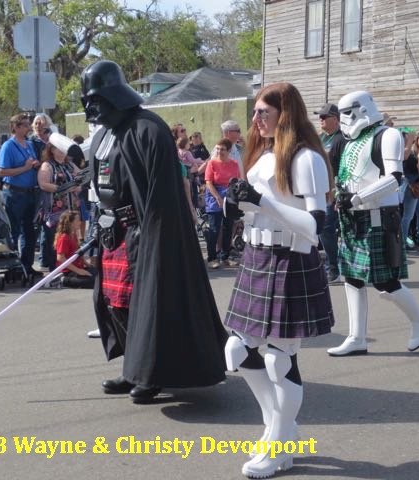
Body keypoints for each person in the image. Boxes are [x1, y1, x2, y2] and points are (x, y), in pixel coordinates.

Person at [81, 59, 227, 403]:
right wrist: (96, 226)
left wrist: (151, 237)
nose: (91, 109)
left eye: (96, 101)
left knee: (145, 303)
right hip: (111, 233)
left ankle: (151, 373)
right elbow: (100, 186)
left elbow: (161, 196)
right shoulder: (103, 135)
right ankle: (134, 367)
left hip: (143, 233)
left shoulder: (148, 129)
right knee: (114, 301)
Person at [222, 82, 334, 478]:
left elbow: (314, 227)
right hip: (256, 256)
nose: (255, 119)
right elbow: (254, 206)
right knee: (237, 351)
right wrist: (233, 205)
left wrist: (262, 203)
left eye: (263, 112)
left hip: (289, 259)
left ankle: (278, 441)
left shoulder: (305, 159)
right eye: (254, 112)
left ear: (284, 114)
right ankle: (280, 428)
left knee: (278, 358)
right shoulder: (264, 154)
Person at [327, 91, 419, 357]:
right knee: (351, 278)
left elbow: (395, 178)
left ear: (363, 109)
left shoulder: (387, 135)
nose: (345, 119)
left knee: (385, 281)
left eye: (349, 112)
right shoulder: (348, 140)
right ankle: (356, 337)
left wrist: (359, 197)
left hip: (377, 215)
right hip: (352, 215)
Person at [0, 113, 41, 278]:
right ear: (15, 127)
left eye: (28, 125)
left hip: (30, 192)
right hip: (14, 193)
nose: (28, 128)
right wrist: (24, 168)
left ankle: (26, 265)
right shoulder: (8, 146)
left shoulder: (29, 144)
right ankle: (13, 267)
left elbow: (31, 163)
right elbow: (1, 172)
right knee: (14, 230)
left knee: (30, 231)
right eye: (24, 125)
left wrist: (34, 165)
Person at [37, 138, 81, 270]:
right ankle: (53, 269)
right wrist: (63, 188)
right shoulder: (48, 165)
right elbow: (43, 184)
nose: (61, 152)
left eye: (63, 149)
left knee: (69, 238)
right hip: (55, 209)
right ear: (51, 150)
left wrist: (77, 186)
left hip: (70, 208)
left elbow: (81, 179)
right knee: (55, 240)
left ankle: (68, 268)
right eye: (58, 149)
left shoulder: (70, 165)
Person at [315, 102, 346, 283]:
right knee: (323, 228)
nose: (320, 119)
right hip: (320, 190)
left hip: (335, 191)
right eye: (319, 116)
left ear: (335, 119)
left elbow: (343, 167)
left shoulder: (341, 139)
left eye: (324, 117)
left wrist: (338, 191)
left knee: (327, 227)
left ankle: (333, 268)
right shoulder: (319, 138)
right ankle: (333, 266)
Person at [204, 138, 241, 268]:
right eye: (217, 149)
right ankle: (212, 258)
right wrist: (218, 198)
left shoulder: (234, 164)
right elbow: (208, 182)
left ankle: (225, 257)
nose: (219, 151)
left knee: (228, 228)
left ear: (229, 150)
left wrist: (235, 199)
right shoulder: (212, 163)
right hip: (214, 197)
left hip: (229, 198)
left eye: (222, 149)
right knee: (214, 229)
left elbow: (237, 181)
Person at [401, 131, 419, 249]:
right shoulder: (409, 153)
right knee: (408, 216)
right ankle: (403, 242)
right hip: (411, 187)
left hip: (416, 186)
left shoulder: (412, 153)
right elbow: (417, 170)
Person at [54, 210, 94, 288]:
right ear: (70, 223)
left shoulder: (73, 235)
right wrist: (78, 271)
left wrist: (86, 264)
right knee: (93, 281)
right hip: (69, 271)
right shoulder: (64, 237)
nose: (80, 222)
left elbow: (78, 253)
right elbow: (60, 258)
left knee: (99, 275)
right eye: (77, 220)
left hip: (78, 267)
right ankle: (63, 280)